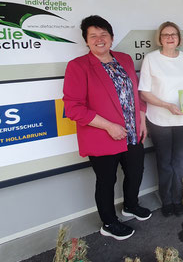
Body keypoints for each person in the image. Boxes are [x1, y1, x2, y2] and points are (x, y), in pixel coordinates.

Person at [63, 15, 151, 241]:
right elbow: (73, 108)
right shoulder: (78, 67)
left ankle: (131, 206)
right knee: (106, 181)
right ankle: (109, 223)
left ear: (112, 38)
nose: (99, 39)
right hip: (101, 136)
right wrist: (109, 126)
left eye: (104, 35)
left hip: (133, 133)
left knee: (135, 172)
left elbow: (136, 92)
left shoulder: (125, 59)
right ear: (86, 41)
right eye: (93, 36)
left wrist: (141, 119)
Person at [138, 21, 183, 217]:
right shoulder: (151, 59)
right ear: (160, 39)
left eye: (174, 34)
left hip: (182, 120)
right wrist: (166, 106)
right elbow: (144, 92)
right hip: (160, 120)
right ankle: (167, 199)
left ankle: (178, 197)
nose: (170, 37)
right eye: (166, 34)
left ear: (179, 38)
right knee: (164, 162)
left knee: (179, 161)